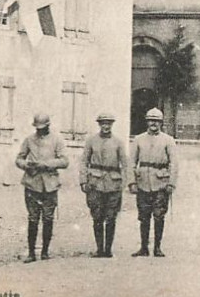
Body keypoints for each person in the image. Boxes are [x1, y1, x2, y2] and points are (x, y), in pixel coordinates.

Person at [15, 112, 69, 263]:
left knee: (48, 218)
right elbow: (19, 158)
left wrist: (46, 164)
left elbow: (65, 161)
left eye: (42, 128)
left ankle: (45, 251)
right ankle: (31, 253)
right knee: (32, 218)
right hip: (32, 184)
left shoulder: (57, 140)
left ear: (48, 126)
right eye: (37, 128)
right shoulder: (28, 140)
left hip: (50, 185)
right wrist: (26, 165)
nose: (39, 131)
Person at [129, 106, 178, 257]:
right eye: (151, 121)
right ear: (146, 122)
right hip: (143, 181)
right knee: (143, 216)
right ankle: (144, 247)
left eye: (157, 121)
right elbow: (131, 161)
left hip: (161, 182)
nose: (153, 124)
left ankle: (157, 247)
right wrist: (132, 182)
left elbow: (174, 163)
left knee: (159, 215)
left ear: (161, 123)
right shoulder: (138, 139)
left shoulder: (168, 140)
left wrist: (171, 183)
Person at [80, 110, 127, 258]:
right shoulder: (91, 141)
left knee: (111, 217)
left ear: (112, 125)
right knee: (97, 216)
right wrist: (83, 180)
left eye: (109, 123)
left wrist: (124, 184)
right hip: (95, 183)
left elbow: (125, 164)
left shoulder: (118, 142)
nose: (106, 126)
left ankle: (108, 249)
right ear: (99, 124)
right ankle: (99, 248)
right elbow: (84, 162)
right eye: (103, 123)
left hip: (113, 184)